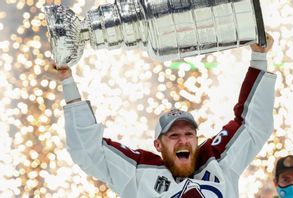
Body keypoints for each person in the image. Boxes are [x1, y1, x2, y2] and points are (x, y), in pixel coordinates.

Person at [53, 34, 276, 197]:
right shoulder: (139, 172)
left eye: (189, 133)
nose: (183, 140)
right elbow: (88, 151)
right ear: (158, 145)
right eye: (173, 135)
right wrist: (67, 81)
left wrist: (259, 57)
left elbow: (253, 124)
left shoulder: (217, 162)